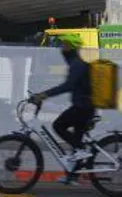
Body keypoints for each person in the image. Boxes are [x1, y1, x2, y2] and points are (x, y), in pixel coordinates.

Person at [30, 34, 94, 183]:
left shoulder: (77, 64)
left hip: (83, 108)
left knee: (58, 126)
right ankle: (72, 175)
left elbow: (68, 86)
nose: (62, 49)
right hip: (84, 107)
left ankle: (81, 150)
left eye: (65, 45)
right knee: (76, 143)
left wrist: (44, 95)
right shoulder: (77, 63)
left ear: (72, 47)